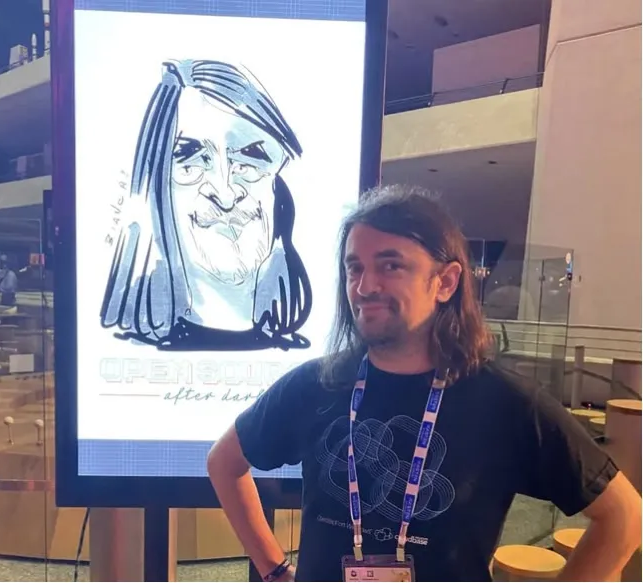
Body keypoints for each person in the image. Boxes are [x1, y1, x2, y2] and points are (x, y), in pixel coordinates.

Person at [207, 185, 642, 582]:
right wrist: (275, 571)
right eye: (355, 268)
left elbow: (624, 517)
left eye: (391, 265)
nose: (365, 286)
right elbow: (224, 463)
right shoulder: (316, 385)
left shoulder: (503, 402)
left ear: (446, 282)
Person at [99, 59, 311, 352]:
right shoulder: (124, 351)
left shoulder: (315, 365)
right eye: (191, 165)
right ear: (156, 190)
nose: (225, 194)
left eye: (249, 161)